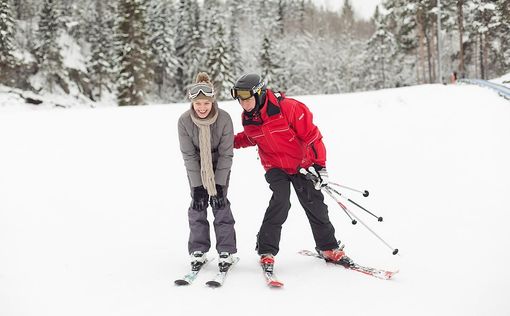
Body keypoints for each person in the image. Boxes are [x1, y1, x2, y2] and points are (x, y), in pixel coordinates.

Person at [231, 73, 346, 267]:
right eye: (241, 101)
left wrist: (319, 166)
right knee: (281, 202)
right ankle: (266, 249)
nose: (245, 104)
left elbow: (312, 137)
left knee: (314, 203)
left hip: (302, 165)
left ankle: (328, 247)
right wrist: (228, 142)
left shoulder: (289, 108)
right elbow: (252, 138)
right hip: (275, 166)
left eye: (248, 99)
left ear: (259, 94)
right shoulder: (249, 117)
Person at [178, 72, 237, 272]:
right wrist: (197, 187)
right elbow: (189, 155)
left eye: (206, 103)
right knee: (197, 205)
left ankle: (226, 251)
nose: (202, 108)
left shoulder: (225, 119)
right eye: (198, 104)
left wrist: (219, 184)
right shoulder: (184, 121)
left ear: (212, 102)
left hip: (220, 165)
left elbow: (226, 154)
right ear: (192, 104)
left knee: (220, 204)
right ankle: (198, 250)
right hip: (197, 167)